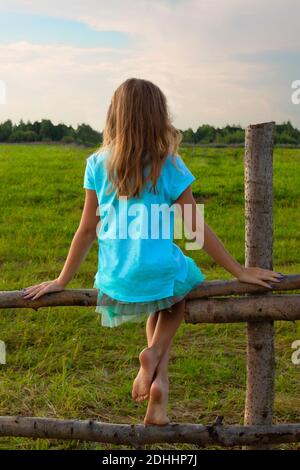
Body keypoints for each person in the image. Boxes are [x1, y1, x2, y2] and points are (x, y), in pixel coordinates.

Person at [22, 78, 284, 425]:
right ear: (158, 117)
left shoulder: (97, 164)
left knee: (156, 304)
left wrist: (62, 278)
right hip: (159, 272)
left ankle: (159, 392)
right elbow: (194, 227)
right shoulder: (169, 164)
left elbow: (86, 230)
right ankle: (156, 354)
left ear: (115, 115)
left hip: (117, 278)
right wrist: (239, 270)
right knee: (181, 285)